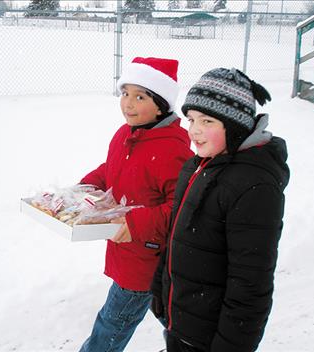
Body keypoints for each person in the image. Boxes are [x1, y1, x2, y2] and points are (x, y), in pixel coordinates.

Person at [151, 67, 290, 352]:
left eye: (207, 120)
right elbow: (177, 235)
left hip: (212, 336)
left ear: (235, 125)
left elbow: (250, 283)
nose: (194, 130)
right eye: (191, 119)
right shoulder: (196, 165)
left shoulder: (254, 186)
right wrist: (160, 287)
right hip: (181, 321)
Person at [78, 57, 194, 352]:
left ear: (161, 104)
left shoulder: (172, 149)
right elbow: (112, 170)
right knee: (170, 315)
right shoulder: (126, 134)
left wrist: (135, 224)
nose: (128, 103)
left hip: (147, 258)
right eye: (125, 93)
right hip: (126, 249)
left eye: (139, 96)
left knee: (112, 323)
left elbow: (180, 208)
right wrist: (86, 186)